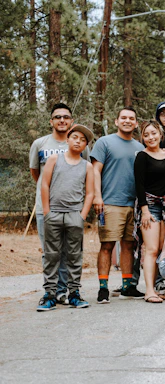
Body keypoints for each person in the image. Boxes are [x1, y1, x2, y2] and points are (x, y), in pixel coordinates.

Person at [30, 103, 90, 305]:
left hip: (73, 210)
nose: (62, 120)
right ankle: (51, 292)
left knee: (71, 252)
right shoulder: (40, 144)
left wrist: (82, 214)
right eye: (57, 117)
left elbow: (84, 174)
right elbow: (38, 176)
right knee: (51, 252)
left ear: (71, 122)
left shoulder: (81, 146)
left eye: (66, 117)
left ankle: (65, 292)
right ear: (51, 121)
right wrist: (46, 209)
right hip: (47, 208)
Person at [91, 107, 145, 304]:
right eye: (123, 118)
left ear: (136, 123)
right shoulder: (105, 142)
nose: (127, 121)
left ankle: (127, 286)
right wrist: (98, 196)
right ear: (116, 121)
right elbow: (95, 171)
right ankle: (103, 288)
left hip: (134, 204)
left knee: (129, 246)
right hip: (111, 202)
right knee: (107, 245)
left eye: (131, 118)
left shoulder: (140, 147)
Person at [133, 120, 165, 303]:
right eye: (146, 135)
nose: (150, 137)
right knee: (151, 249)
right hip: (149, 207)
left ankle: (156, 286)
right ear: (142, 138)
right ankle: (149, 291)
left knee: (161, 249)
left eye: (153, 133)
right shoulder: (142, 157)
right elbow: (139, 185)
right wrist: (144, 211)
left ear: (160, 134)